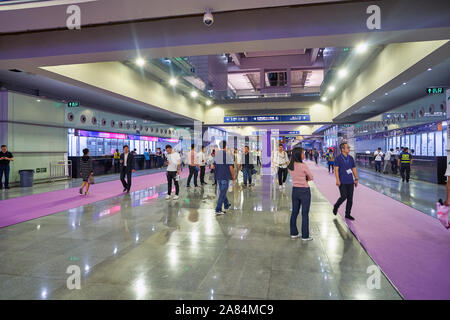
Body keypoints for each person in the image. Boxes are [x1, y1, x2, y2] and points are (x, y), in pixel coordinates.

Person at [288, 147, 313, 241]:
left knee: (294, 212)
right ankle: (305, 236)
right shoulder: (303, 166)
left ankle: (293, 233)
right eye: (303, 153)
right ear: (299, 154)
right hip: (304, 191)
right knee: (305, 213)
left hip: (295, 190)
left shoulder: (291, 165)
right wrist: (306, 178)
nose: (304, 154)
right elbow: (311, 177)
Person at [333, 142, 358, 221]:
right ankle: (336, 206)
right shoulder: (338, 158)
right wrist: (337, 180)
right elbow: (336, 170)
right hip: (342, 181)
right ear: (343, 149)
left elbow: (353, 168)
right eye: (348, 147)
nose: (349, 149)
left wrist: (356, 179)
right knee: (344, 196)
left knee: (350, 198)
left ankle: (347, 214)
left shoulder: (350, 158)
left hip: (350, 181)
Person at [211, 141, 234, 215]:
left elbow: (212, 166)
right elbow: (231, 167)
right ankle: (218, 209)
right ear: (225, 146)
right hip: (225, 177)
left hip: (218, 177)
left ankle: (226, 205)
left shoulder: (216, 155)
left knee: (223, 192)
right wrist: (233, 176)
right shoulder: (227, 155)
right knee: (222, 193)